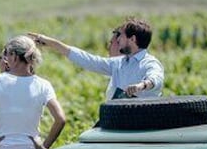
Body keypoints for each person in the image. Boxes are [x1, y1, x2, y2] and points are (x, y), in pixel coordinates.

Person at [30, 18, 164, 100]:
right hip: (118, 121)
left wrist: (141, 85)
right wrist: (50, 42)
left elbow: (156, 78)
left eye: (121, 36)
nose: (117, 39)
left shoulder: (150, 62)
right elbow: (87, 59)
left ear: (133, 39)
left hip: (142, 124)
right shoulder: (118, 63)